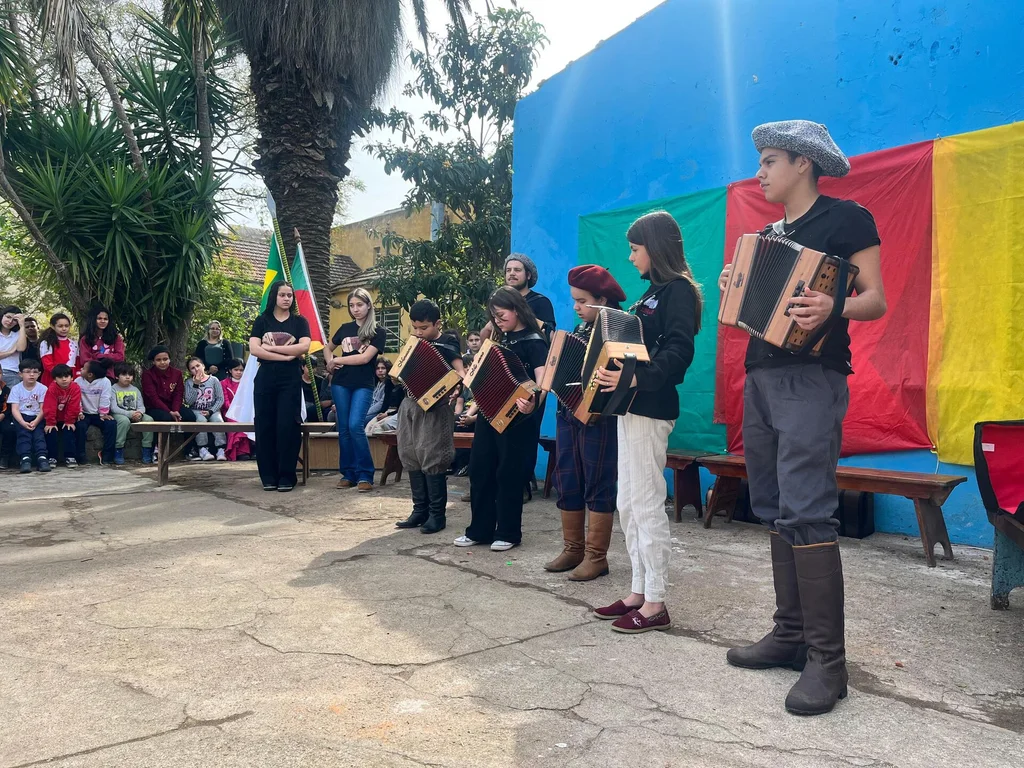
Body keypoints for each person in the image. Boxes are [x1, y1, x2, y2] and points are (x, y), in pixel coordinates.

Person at [720, 121, 886, 717]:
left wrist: (833, 304)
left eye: (768, 161)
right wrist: (735, 289)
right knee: (771, 504)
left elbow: (876, 299)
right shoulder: (767, 234)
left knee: (809, 508)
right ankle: (789, 636)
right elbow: (751, 309)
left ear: (802, 164)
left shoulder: (848, 220)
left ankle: (828, 663)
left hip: (813, 380)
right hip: (761, 377)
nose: (760, 172)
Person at [591, 211, 702, 636]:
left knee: (647, 501)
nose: (630, 255)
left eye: (635, 248)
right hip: (629, 408)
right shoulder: (650, 295)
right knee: (629, 502)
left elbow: (678, 352)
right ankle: (638, 591)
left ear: (654, 248)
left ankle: (655, 601)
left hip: (651, 406)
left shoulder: (678, 291)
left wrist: (634, 376)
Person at [545, 265, 627, 582]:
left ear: (602, 299)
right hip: (568, 413)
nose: (576, 307)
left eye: (582, 301)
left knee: (598, 480)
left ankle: (596, 556)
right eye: (574, 301)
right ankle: (573, 548)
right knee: (568, 478)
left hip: (600, 418)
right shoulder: (580, 331)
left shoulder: (619, 330)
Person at [455, 287, 548, 551]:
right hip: (489, 413)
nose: (497, 320)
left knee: (509, 474)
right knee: (480, 469)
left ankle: (508, 533)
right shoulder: (499, 341)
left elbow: (542, 383)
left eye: (501, 314)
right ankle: (479, 531)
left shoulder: (534, 341)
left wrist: (532, 405)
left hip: (518, 418)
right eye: (493, 316)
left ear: (517, 309)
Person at [394, 300, 466, 535]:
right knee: (409, 452)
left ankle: (437, 515)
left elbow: (460, 372)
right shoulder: (414, 342)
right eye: (415, 328)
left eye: (424, 328)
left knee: (432, 454)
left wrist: (454, 387)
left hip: (435, 407)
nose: (418, 333)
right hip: (409, 403)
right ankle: (419, 511)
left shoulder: (448, 343)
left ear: (437, 323)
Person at [248, 281, 311, 492]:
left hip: (290, 379)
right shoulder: (262, 320)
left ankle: (286, 475)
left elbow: (304, 346)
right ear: (274, 296)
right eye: (282, 295)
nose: (287, 299)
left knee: (287, 425)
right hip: (265, 377)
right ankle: (268, 476)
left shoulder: (299, 322)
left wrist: (272, 349)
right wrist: (287, 355)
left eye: (290, 295)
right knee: (265, 425)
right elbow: (255, 349)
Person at [326, 287, 386, 492]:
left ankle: (365, 475)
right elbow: (327, 348)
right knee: (343, 429)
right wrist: (329, 362)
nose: (355, 309)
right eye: (352, 305)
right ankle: (348, 473)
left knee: (354, 426)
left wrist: (337, 359)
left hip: (363, 384)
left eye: (359, 305)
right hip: (340, 383)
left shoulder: (378, 332)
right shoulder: (344, 328)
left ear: (369, 305)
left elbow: (364, 358)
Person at [142, 346, 196, 430]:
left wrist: (175, 411)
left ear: (169, 359)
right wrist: (169, 412)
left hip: (174, 406)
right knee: (165, 418)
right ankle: (158, 443)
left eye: (165, 359)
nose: (162, 362)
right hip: (155, 407)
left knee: (190, 416)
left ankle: (188, 443)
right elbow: (153, 398)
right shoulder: (147, 375)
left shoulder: (177, 373)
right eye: (158, 360)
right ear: (153, 361)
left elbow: (178, 394)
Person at [9, 358, 49, 473]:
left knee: (39, 435)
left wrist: (36, 421)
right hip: (21, 417)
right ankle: (25, 459)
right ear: (20, 374)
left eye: (35, 372)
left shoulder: (43, 388)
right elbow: (15, 409)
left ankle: (42, 458)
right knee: (23, 435)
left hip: (38, 416)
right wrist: (22, 422)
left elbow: (43, 408)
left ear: (39, 374)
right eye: (27, 372)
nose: (31, 375)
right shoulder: (16, 389)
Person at [184, 356, 228, 461]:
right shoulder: (189, 382)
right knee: (200, 421)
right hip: (196, 410)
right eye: (193, 368)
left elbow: (220, 399)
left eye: (198, 366)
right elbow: (188, 401)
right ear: (190, 371)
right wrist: (196, 385)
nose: (196, 369)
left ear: (203, 366)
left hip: (212, 409)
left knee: (218, 420)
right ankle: (203, 448)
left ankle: (221, 449)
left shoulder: (214, 380)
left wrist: (211, 411)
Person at [110, 362, 155, 465]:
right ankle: (118, 449)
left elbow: (141, 406)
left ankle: (147, 449)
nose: (127, 377)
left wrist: (140, 413)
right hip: (120, 414)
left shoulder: (135, 390)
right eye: (124, 375)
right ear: (117, 376)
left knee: (149, 420)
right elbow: (113, 408)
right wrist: (130, 414)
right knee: (124, 421)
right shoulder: (113, 389)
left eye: (130, 375)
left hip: (136, 413)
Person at [75, 360, 118, 465]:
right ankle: (80, 456)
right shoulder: (78, 381)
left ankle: (107, 456)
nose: (81, 369)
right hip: (84, 413)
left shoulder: (105, 382)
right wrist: (79, 412)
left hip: (99, 414)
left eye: (84, 368)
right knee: (80, 426)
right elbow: (76, 398)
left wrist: (103, 414)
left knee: (111, 424)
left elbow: (105, 397)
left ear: (90, 374)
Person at [43, 363, 82, 468]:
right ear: (55, 379)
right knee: (50, 432)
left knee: (69, 431)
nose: (64, 379)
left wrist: (69, 421)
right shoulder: (52, 389)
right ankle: (52, 457)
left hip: (68, 419)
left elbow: (74, 406)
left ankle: (70, 457)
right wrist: (50, 422)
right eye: (60, 377)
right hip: (54, 418)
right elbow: (49, 406)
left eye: (66, 376)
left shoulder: (75, 388)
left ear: (72, 378)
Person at [78, 306, 126, 380]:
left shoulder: (116, 338)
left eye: (105, 319)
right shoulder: (85, 339)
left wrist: (101, 356)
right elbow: (84, 360)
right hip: (92, 377)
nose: (103, 321)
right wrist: (103, 360)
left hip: (111, 376)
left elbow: (120, 357)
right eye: (99, 318)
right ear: (93, 320)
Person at [220, 359, 251, 461]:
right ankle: (238, 451)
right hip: (229, 412)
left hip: (245, 411)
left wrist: (243, 410)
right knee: (235, 421)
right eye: (236, 369)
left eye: (241, 370)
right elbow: (225, 401)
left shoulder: (247, 383)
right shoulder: (223, 383)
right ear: (230, 370)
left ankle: (245, 451)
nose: (239, 372)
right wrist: (235, 410)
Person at [38, 312, 78, 386]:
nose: (64, 328)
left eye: (66, 326)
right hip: (53, 378)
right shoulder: (47, 343)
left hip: (71, 379)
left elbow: (77, 363)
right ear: (53, 326)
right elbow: (47, 364)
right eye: (60, 326)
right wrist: (61, 376)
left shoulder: (74, 344)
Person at [0, 306, 27, 389]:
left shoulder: (18, 334)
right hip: (1, 370)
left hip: (13, 372)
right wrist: (11, 351)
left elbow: (21, 348)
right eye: (8, 317)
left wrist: (22, 326)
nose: (10, 321)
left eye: (15, 320)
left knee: (12, 401)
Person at [0, 379, 15, 470]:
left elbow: (10, 407)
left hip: (3, 417)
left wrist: (3, 414)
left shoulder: (6, 390)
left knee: (10, 430)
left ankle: (4, 457)